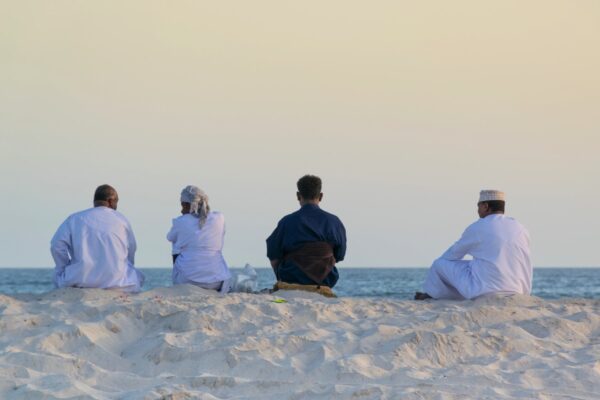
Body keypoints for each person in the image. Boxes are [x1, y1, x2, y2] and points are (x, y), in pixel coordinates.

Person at [416, 190, 532, 300]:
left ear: (485, 206)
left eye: (478, 206)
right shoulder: (521, 228)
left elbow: (453, 255)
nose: (477, 210)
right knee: (475, 264)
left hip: (484, 291)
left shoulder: (478, 227)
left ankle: (434, 296)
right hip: (517, 290)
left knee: (439, 264)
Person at [50, 184, 145, 292]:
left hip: (80, 279)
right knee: (138, 276)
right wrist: (126, 266)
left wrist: (63, 267)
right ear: (110, 201)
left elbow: (56, 245)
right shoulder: (121, 219)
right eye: (116, 202)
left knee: (58, 277)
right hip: (118, 282)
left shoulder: (75, 218)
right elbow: (132, 247)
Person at [266, 174, 347, 288]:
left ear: (298, 196)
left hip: (291, 278)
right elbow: (340, 255)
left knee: (276, 257)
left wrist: (280, 278)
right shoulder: (334, 222)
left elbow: (273, 254)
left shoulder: (287, 221)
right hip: (325, 281)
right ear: (321, 196)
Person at [167, 185, 231, 292]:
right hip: (217, 281)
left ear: (191, 205)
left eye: (183, 206)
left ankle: (180, 276)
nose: (181, 211)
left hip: (187, 280)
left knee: (176, 243)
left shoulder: (180, 221)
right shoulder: (219, 218)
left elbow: (170, 237)